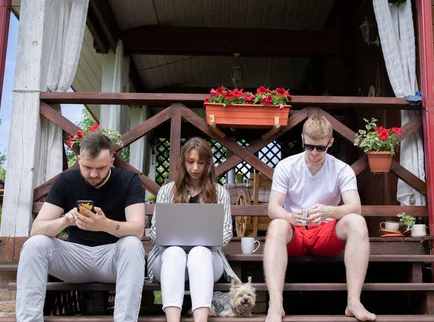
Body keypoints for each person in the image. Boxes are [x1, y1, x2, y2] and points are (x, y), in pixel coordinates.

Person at [16, 132, 146, 322]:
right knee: (35, 244)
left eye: (100, 168)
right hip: (74, 258)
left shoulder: (129, 181)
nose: (93, 174)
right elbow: (36, 229)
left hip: (112, 259)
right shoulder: (66, 180)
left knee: (133, 246)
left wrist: (105, 225)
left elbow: (138, 229)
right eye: (87, 167)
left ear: (112, 160)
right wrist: (64, 221)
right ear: (79, 160)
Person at [264, 115, 376, 322]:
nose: (314, 153)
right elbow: (273, 208)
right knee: (277, 224)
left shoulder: (342, 169)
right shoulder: (286, 166)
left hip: (326, 232)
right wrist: (289, 216)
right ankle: (276, 305)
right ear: (302, 138)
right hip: (294, 232)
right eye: (309, 146)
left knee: (357, 222)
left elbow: (355, 207)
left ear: (330, 143)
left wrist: (329, 211)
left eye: (320, 148)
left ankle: (353, 302)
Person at [147, 137, 239, 322]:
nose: (195, 168)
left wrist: (206, 240)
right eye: (190, 162)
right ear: (183, 162)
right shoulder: (167, 191)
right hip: (167, 259)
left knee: (199, 252)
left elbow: (227, 231)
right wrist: (169, 239)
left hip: (207, 259)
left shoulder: (219, 192)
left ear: (208, 164)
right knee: (174, 252)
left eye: (201, 162)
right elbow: (154, 230)